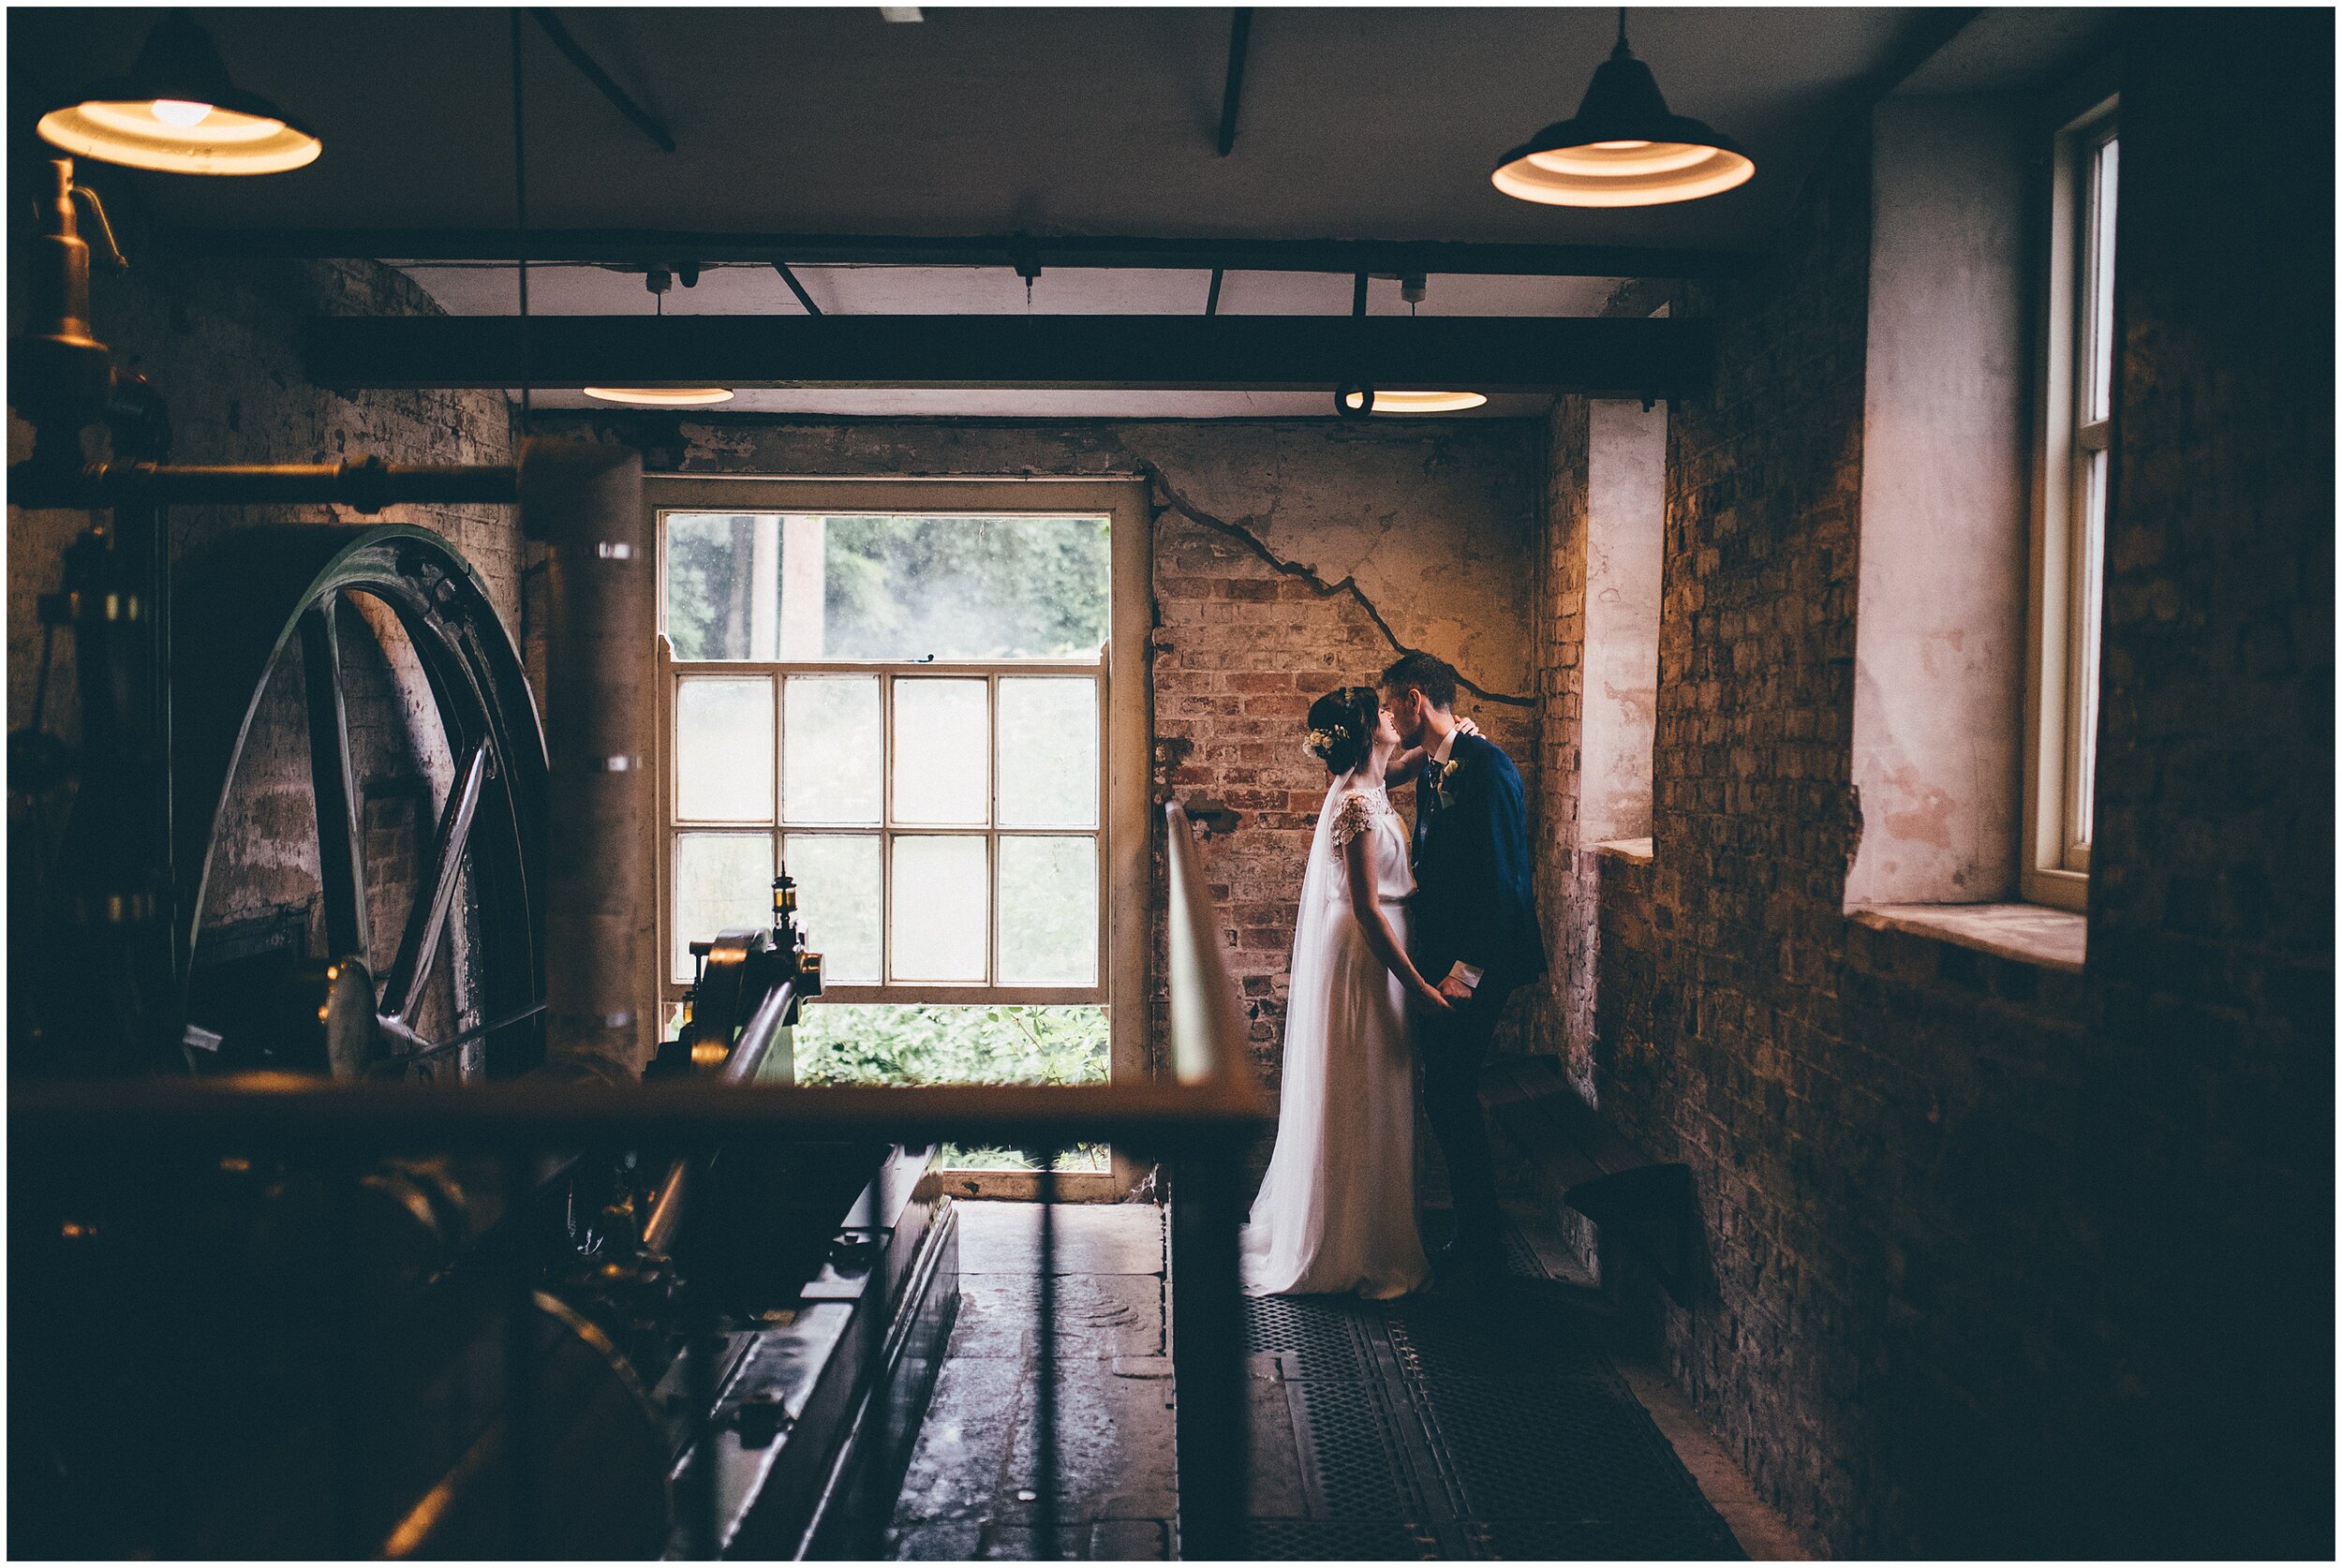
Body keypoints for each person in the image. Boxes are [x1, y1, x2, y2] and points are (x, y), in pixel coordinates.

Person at [1239, 686, 1455, 1298]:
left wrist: (1453, 735)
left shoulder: (1375, 786)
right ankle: (1350, 1244)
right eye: (1382, 714)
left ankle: (1373, 1231)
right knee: (1361, 1093)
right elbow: (1365, 907)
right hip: (1366, 958)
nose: (1393, 716)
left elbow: (1412, 761)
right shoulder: (1355, 805)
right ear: (1365, 734)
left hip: (1384, 948)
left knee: (1379, 1092)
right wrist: (1415, 987)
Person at [1381, 651, 1546, 1292]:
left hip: (1482, 961)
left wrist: (1466, 973)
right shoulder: (1439, 764)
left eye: (1394, 704)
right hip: (1445, 956)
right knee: (1444, 1092)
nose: (1391, 718)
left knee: (1448, 1091)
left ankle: (1485, 1246)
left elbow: (1506, 881)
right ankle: (1475, 1234)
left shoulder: (1490, 769)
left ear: (1415, 698)